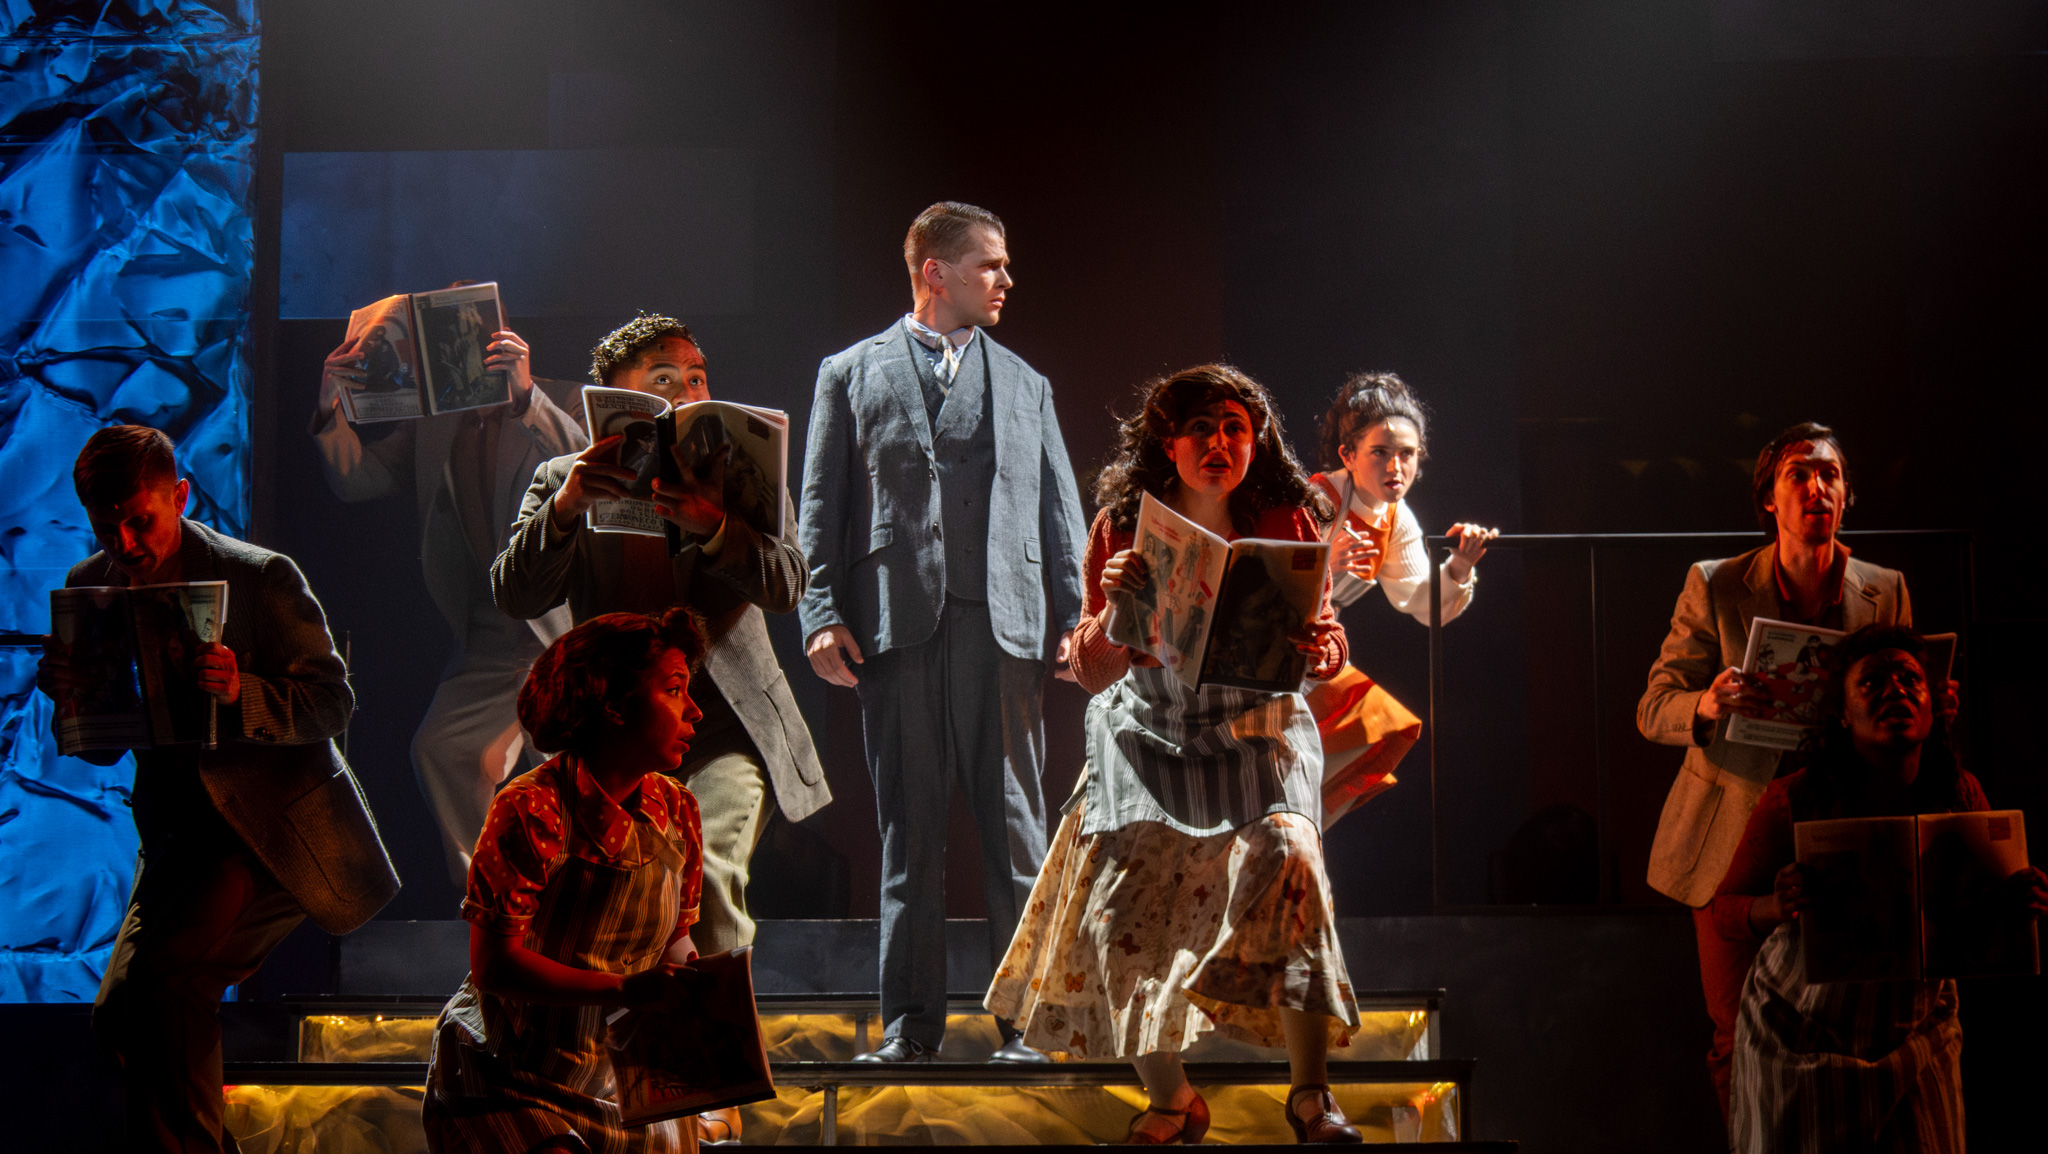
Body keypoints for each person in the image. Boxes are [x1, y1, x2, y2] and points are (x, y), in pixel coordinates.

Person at [987, 365, 1363, 1144]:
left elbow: (1324, 633)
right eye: (1201, 429)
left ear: (1256, 442)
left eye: (1234, 429)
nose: (1219, 443)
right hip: (1151, 727)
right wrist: (1115, 611)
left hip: (1255, 723)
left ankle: (1311, 1094)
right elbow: (1094, 672)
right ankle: (1171, 1099)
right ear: (1168, 442)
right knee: (1115, 899)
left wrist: (1322, 648)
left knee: (1291, 859)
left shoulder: (1287, 517)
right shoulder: (1123, 526)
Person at [492, 318, 829, 1130]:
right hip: (618, 735)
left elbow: (787, 584)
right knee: (607, 903)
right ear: (612, 397)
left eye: (697, 375)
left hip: (722, 723)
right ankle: (623, 1088)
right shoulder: (563, 477)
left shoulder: (743, 476)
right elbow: (515, 591)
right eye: (664, 378)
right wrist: (569, 505)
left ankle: (712, 1094)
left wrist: (717, 525)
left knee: (706, 874)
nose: (687, 389)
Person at [37, 426, 400, 1154]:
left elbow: (333, 704)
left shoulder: (260, 577)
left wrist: (244, 693)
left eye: (139, 520)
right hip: (177, 838)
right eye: (106, 527)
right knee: (120, 1015)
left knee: (167, 986)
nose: (125, 543)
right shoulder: (90, 585)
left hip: (263, 832)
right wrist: (70, 697)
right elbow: (101, 745)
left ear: (180, 496)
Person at [797, 201, 1088, 1066]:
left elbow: (1060, 510)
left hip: (1006, 627)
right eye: (990, 264)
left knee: (1016, 829)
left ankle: (1028, 1027)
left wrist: (1075, 619)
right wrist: (820, 614)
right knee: (909, 835)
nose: (1006, 280)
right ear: (936, 270)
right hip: (898, 627)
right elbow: (821, 505)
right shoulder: (850, 372)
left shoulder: (1027, 383)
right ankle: (909, 1028)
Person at [1637, 421, 1924, 1118]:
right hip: (1734, 832)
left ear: (1846, 495)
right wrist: (1706, 702)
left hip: (1838, 825)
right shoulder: (1716, 583)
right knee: (1736, 1032)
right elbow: (1653, 706)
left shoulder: (1883, 588)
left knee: (1843, 1026)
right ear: (1769, 497)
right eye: (1799, 473)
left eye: (1830, 475)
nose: (1817, 487)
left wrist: (1929, 702)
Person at [1712, 627, 2048, 1152]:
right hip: (1799, 1030)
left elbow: (1982, 915)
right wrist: (1777, 905)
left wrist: (2016, 902)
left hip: (1916, 1029)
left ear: (1934, 706)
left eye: (1910, 679)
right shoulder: (1794, 798)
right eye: (1871, 682)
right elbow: (1725, 911)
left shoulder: (1959, 793)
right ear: (1842, 714)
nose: (1895, 690)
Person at [312, 305, 588, 880]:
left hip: (564, 622)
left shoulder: (560, 398)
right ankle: (491, 897)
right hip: (493, 627)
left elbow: (588, 466)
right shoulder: (434, 423)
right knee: (441, 749)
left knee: (576, 769)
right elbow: (357, 479)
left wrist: (526, 397)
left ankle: (588, 901)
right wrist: (329, 409)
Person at [423, 608, 712, 1154]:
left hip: (615, 1075)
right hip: (508, 1073)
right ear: (614, 704)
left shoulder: (678, 810)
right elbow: (494, 966)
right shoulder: (531, 807)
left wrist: (696, 990)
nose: (694, 710)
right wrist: (624, 988)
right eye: (674, 690)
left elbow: (677, 940)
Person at [1307, 373, 1497, 822]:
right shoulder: (1316, 499)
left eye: (1407, 454)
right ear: (1348, 455)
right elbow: (1264, 578)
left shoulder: (1396, 516)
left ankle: (1301, 825)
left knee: (1382, 734)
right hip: (1272, 647)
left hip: (1314, 654)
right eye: (1380, 452)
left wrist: (1460, 564)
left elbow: (1421, 603)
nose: (1395, 467)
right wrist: (1324, 562)